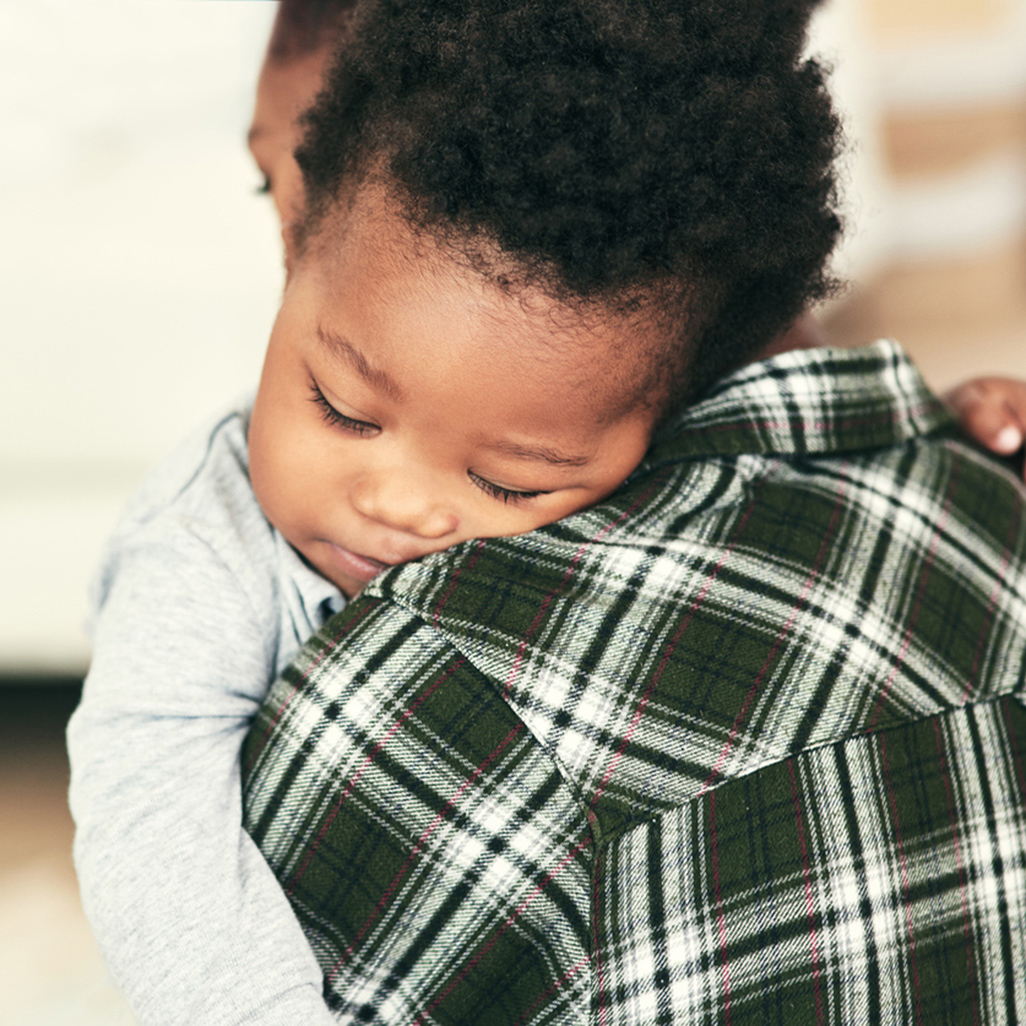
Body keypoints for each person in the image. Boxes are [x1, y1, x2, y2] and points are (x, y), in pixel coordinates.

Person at [67, 1, 1026, 1024]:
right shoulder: (201, 547)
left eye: (512, 483)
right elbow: (146, 812)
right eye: (343, 411)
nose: (399, 503)